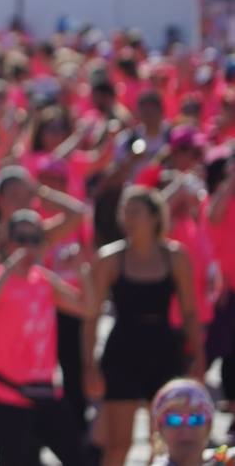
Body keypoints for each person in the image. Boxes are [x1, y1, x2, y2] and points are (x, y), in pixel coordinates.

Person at [86, 186, 204, 466]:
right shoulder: (109, 259)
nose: (128, 218)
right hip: (122, 351)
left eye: (135, 211)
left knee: (164, 443)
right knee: (118, 445)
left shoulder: (175, 257)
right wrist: (88, 365)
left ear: (154, 217)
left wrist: (198, 354)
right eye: (124, 211)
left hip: (163, 350)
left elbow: (190, 312)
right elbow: (91, 316)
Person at [0, 209, 86, 466]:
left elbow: (87, 307)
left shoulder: (45, 280)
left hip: (46, 393)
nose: (28, 247)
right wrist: (9, 266)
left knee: (80, 458)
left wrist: (80, 270)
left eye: (35, 240)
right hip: (6, 394)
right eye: (21, 239)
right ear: (8, 242)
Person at [149, 379, 228, 466]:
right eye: (174, 420)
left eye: (196, 419)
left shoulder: (223, 460)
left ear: (209, 425)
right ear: (159, 427)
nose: (185, 429)